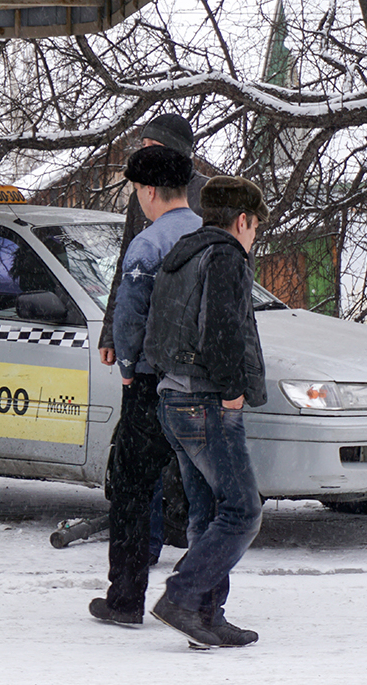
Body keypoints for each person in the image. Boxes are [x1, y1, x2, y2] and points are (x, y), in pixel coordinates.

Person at [145, 176, 271, 648]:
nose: (254, 235)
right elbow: (221, 327)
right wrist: (232, 388)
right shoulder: (224, 255)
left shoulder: (182, 252)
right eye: (255, 226)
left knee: (208, 512)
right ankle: (182, 595)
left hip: (172, 399)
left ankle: (204, 615)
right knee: (243, 510)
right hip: (208, 401)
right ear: (243, 220)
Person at [89, 145, 202, 626]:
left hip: (152, 385)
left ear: (149, 191)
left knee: (134, 488)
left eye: (138, 192)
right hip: (202, 389)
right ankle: (199, 601)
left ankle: (126, 599)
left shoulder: (147, 245)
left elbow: (131, 316)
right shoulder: (211, 236)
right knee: (203, 495)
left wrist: (131, 368)